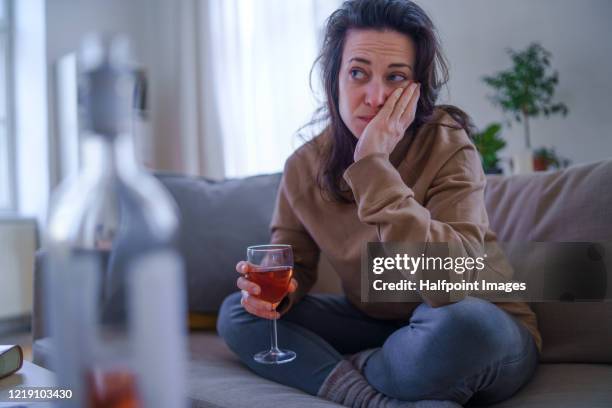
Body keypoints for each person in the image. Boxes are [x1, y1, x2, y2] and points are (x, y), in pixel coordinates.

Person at [218, 0, 541, 406]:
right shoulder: (303, 166)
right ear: (333, 78)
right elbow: (294, 265)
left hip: (470, 318)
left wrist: (372, 166)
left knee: (462, 325)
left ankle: (371, 369)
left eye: (395, 77)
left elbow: (451, 283)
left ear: (416, 87)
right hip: (377, 324)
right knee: (238, 313)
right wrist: (276, 293)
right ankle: (373, 394)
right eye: (358, 73)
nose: (374, 96)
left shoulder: (447, 143)